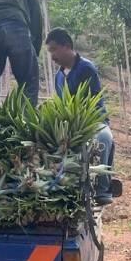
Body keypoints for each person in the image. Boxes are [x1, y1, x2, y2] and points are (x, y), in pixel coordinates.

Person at [45, 28, 113, 205]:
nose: (52, 56)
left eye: (54, 50)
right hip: (68, 124)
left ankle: (102, 188)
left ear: (67, 46)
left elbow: (92, 101)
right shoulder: (58, 76)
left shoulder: (86, 68)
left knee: (103, 137)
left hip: (92, 121)